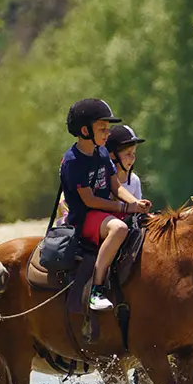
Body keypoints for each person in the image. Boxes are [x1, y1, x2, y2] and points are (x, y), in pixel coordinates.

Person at [60, 99, 151, 311]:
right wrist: (125, 209)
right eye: (102, 128)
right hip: (84, 218)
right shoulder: (73, 160)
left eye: (108, 129)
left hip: (103, 215)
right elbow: (89, 200)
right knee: (119, 229)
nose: (107, 133)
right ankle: (97, 289)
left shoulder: (101, 153)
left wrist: (135, 202)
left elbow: (115, 187)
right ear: (84, 130)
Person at [106, 124, 147, 201]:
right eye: (128, 154)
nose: (133, 158)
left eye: (134, 153)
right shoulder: (103, 180)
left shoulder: (134, 180)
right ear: (113, 155)